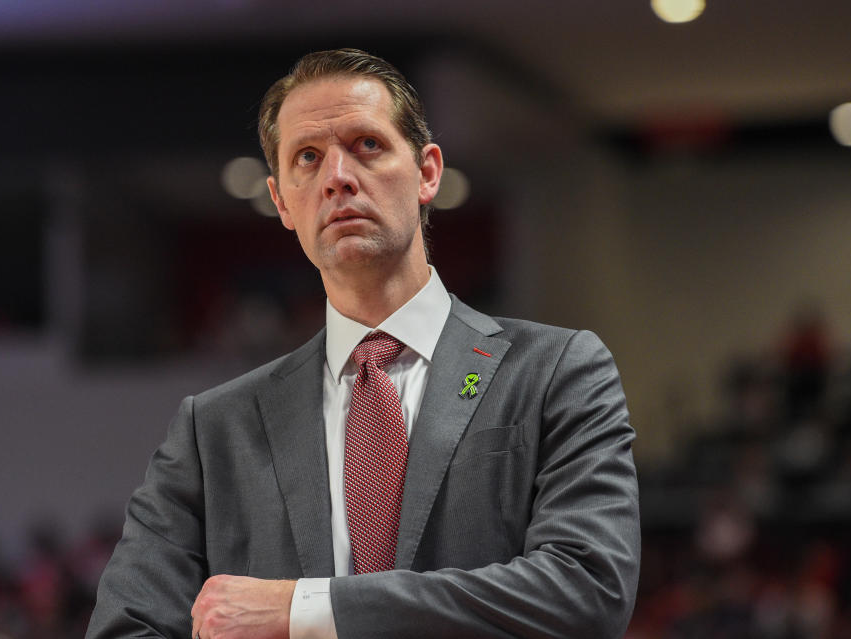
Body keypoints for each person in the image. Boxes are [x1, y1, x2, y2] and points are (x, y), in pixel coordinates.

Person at [86, 48, 640, 639]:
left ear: (428, 172)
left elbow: (589, 587)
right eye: (308, 158)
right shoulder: (213, 430)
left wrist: (305, 610)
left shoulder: (556, 371)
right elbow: (126, 628)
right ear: (281, 202)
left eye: (367, 146)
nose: (337, 178)